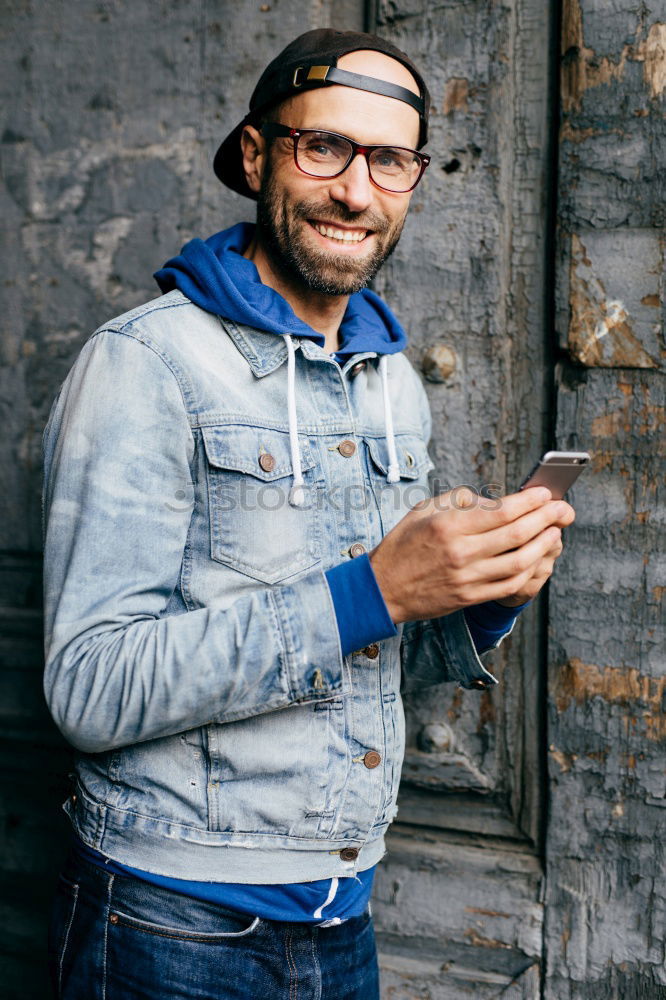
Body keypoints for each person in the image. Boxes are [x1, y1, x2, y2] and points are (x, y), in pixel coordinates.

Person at [42, 27, 574, 1000]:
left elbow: (372, 657)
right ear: (256, 155)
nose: (355, 190)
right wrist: (371, 587)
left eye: (390, 159)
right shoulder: (144, 364)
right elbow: (86, 688)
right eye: (322, 147)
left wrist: (476, 595)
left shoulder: (392, 387)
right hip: (171, 925)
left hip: (343, 924)